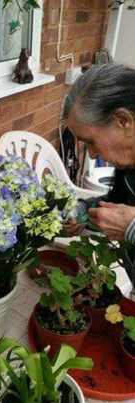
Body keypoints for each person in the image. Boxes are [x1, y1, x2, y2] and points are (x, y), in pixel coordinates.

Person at [61, 63, 135, 285]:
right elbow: (119, 206)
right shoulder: (129, 166)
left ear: (123, 121)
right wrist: (83, 210)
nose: (91, 155)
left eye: (90, 141)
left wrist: (131, 228)